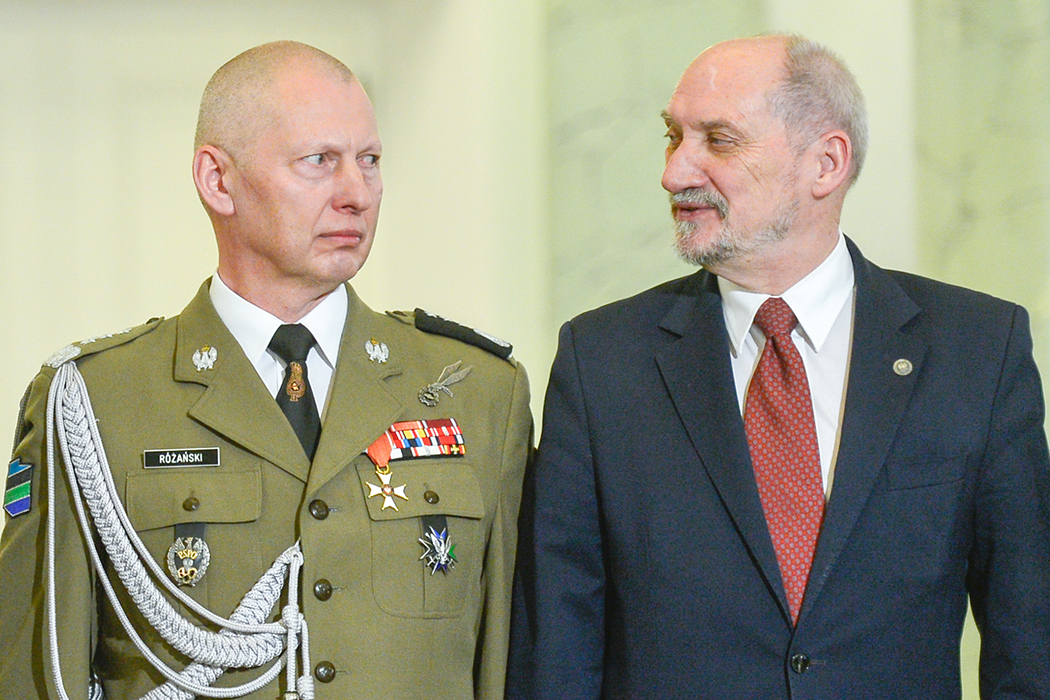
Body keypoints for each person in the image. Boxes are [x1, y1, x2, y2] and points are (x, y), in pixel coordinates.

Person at [507, 34, 1050, 699]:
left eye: (719, 140)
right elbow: (556, 654)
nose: (674, 173)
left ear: (826, 163)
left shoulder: (978, 351)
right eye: (673, 138)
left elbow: (1030, 645)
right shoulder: (601, 363)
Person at [0, 41, 531, 699]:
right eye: (319, 161)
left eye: (369, 160)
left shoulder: (481, 393)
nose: (356, 194)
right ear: (218, 180)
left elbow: (514, 664)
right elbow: (33, 675)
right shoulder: (95, 403)